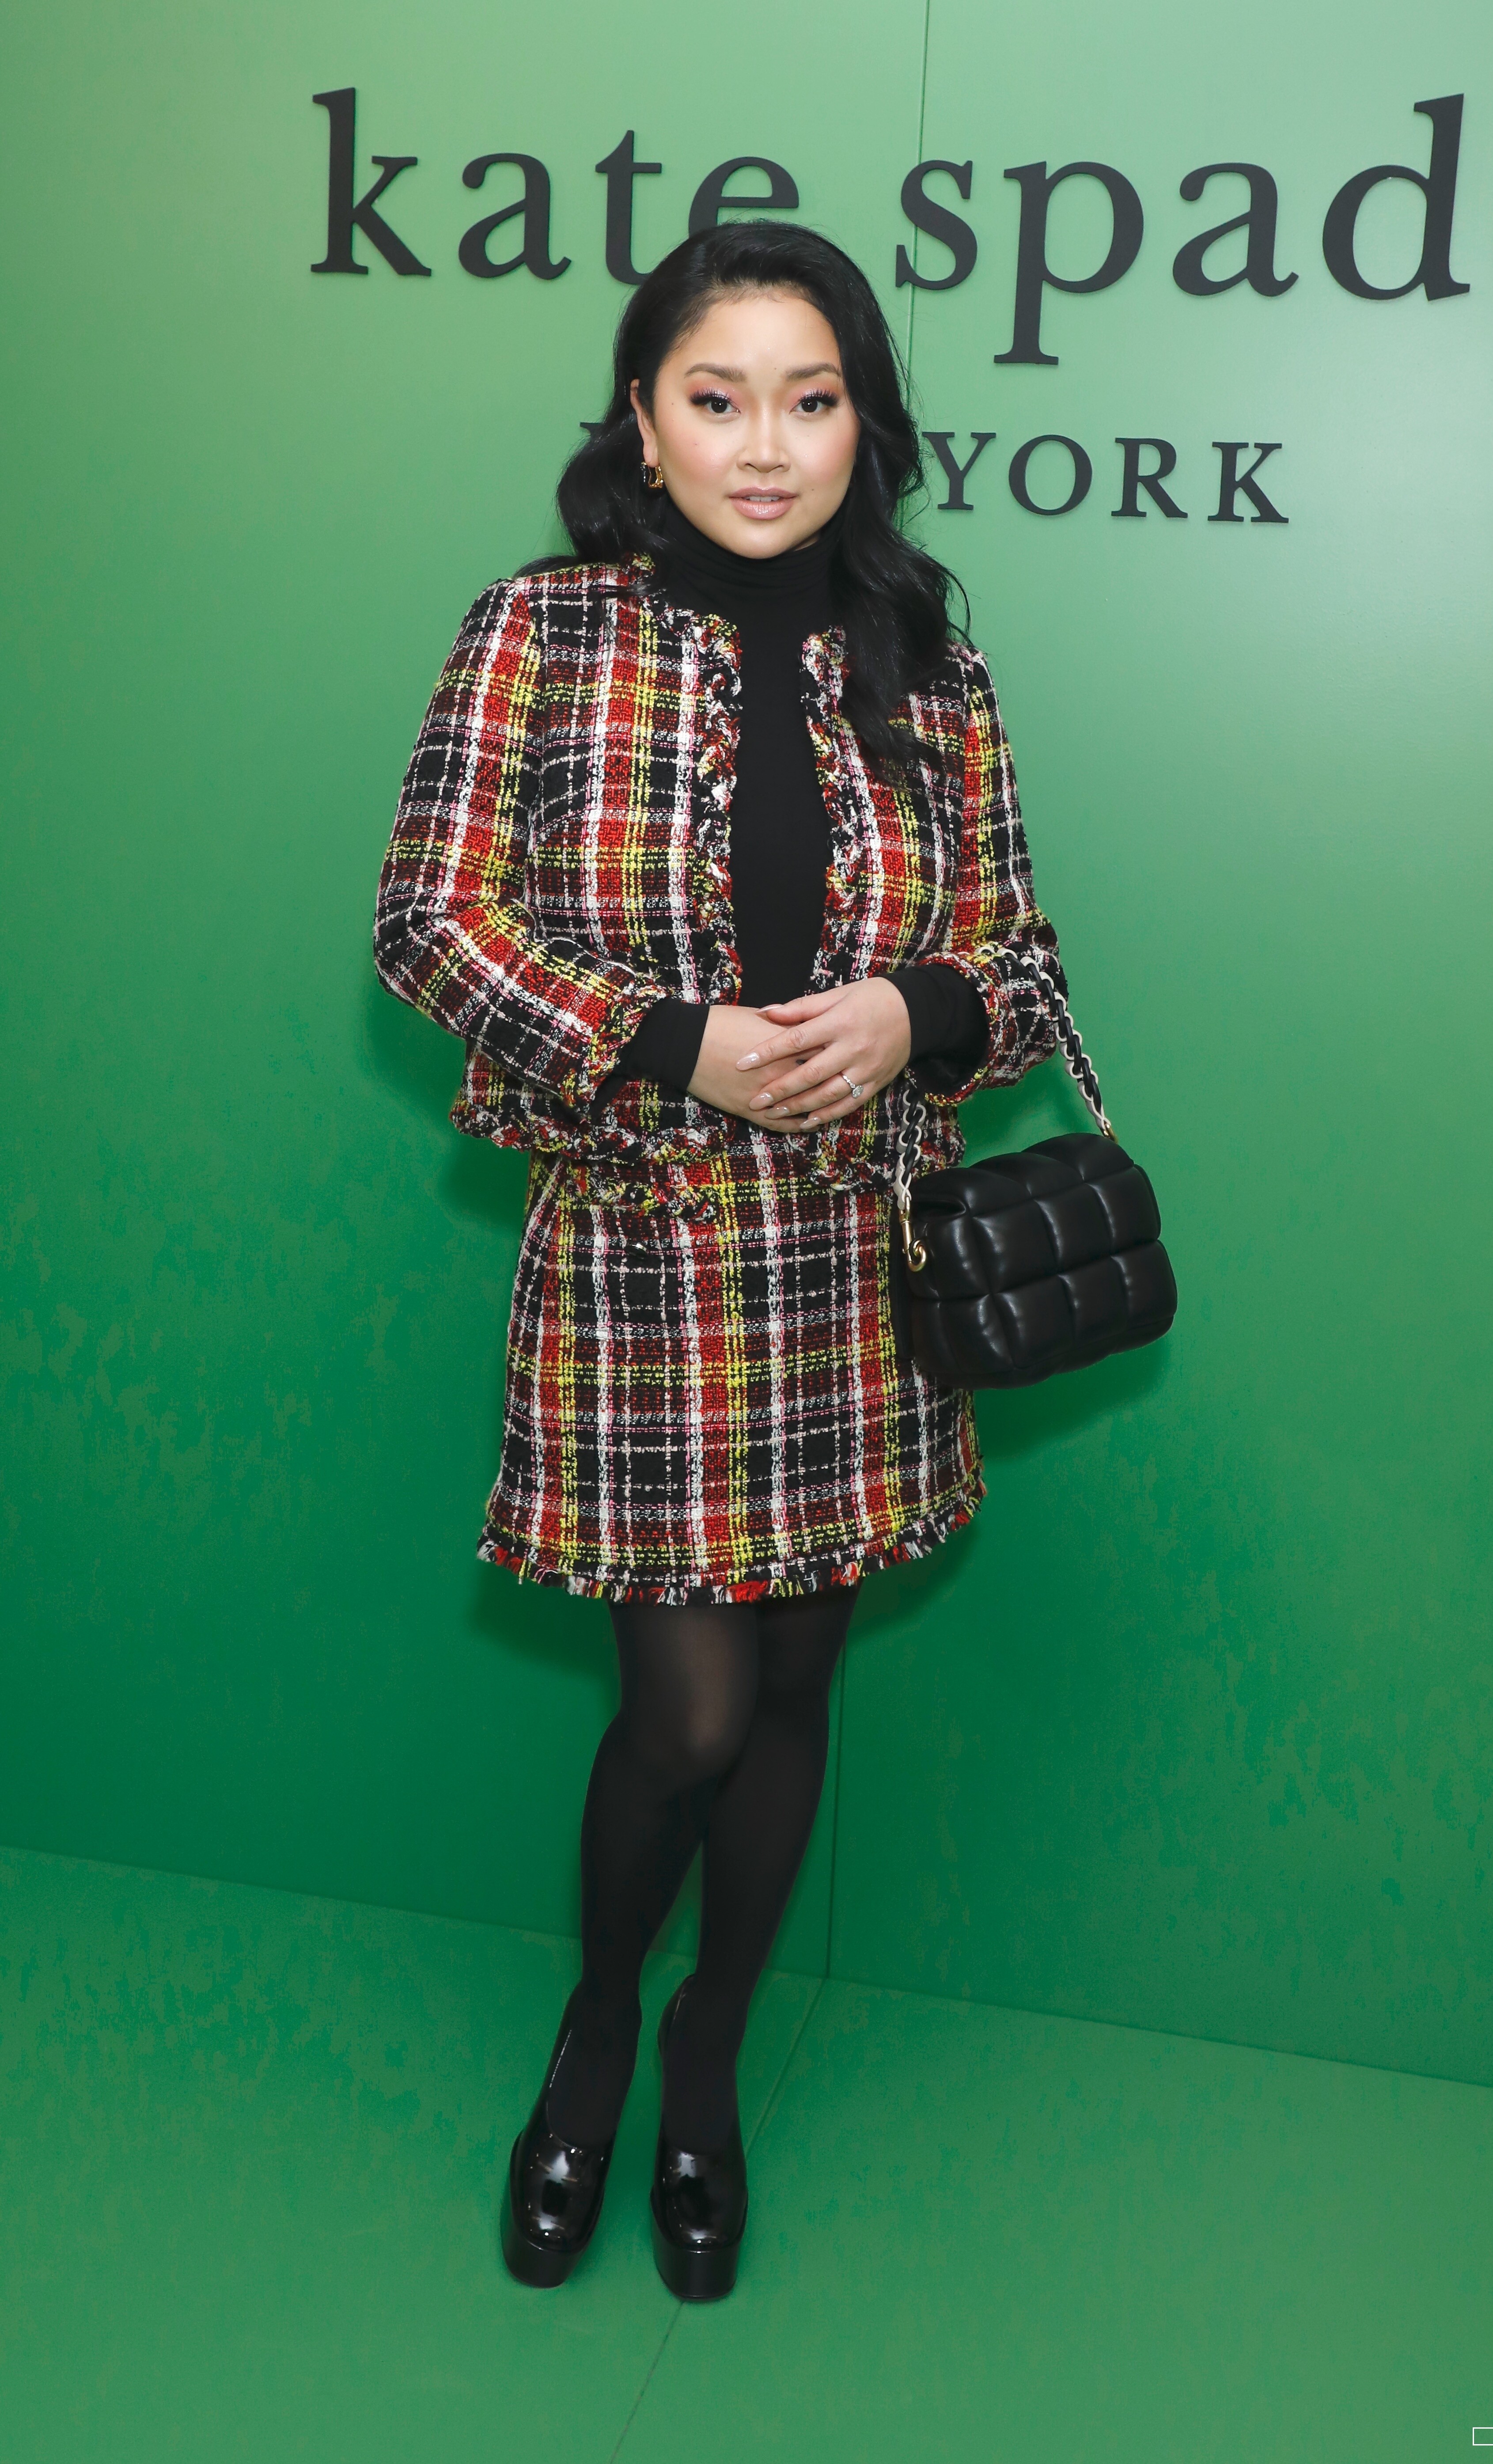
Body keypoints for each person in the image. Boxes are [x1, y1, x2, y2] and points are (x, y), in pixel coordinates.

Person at [374, 219, 1070, 2303]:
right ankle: (600, 2030)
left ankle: (706, 2063)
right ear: (647, 418)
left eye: (813, 398)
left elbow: (1027, 967)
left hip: (862, 1266)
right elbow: (427, 922)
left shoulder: (933, 664)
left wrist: (916, 1013)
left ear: (865, 422)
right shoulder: (539, 627)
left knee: (795, 1692)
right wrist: (672, 1042)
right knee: (683, 1714)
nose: (767, 444)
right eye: (719, 396)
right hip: (643, 1257)